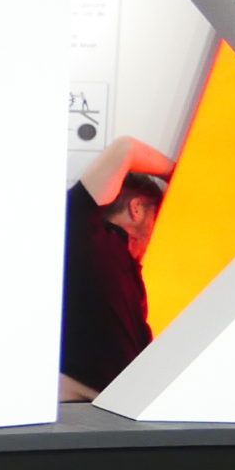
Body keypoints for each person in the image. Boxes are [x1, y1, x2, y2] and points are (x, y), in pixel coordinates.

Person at [59, 135, 176, 401]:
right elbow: (126, 149)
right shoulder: (81, 230)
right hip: (80, 403)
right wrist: (181, 174)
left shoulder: (130, 270)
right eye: (158, 217)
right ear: (137, 208)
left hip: (119, 404)